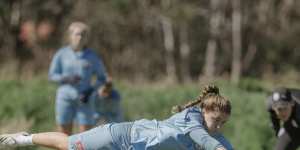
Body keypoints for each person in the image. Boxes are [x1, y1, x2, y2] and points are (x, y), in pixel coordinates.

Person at [0, 85, 233, 150]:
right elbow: (204, 140)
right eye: (216, 121)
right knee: (68, 145)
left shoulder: (214, 137)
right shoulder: (191, 119)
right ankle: (21, 140)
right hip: (119, 138)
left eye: (224, 123)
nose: (219, 127)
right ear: (204, 111)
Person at [48, 22, 108, 135]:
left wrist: (90, 91)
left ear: (87, 38)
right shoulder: (62, 54)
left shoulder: (93, 56)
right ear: (70, 36)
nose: (79, 37)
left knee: (85, 137)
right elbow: (51, 76)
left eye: (83, 35)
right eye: (77, 34)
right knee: (63, 136)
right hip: (65, 98)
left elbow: (102, 78)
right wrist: (66, 78)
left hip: (84, 99)